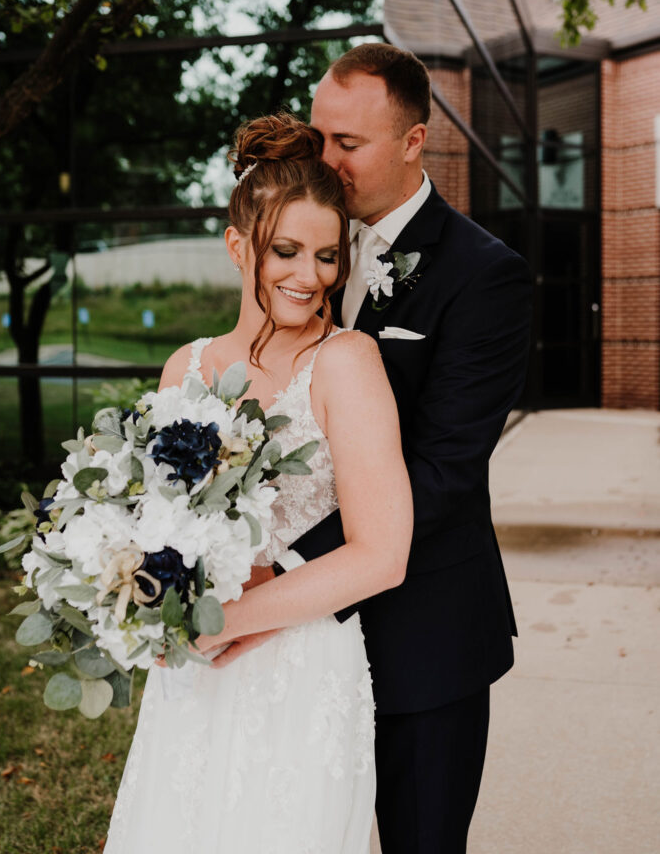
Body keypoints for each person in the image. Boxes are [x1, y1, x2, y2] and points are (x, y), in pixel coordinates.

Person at [216, 44, 533, 853]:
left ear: (412, 141)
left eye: (346, 144)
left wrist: (283, 568)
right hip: (290, 645)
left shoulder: (483, 276)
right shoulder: (301, 239)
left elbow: (444, 470)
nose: (324, 159)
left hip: (424, 633)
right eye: (318, 135)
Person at [103, 112, 413, 854]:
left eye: (327, 256)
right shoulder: (186, 365)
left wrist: (227, 622)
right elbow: (156, 524)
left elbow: (383, 554)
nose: (308, 276)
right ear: (238, 245)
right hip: (190, 676)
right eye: (285, 251)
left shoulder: (346, 363)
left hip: (299, 668)